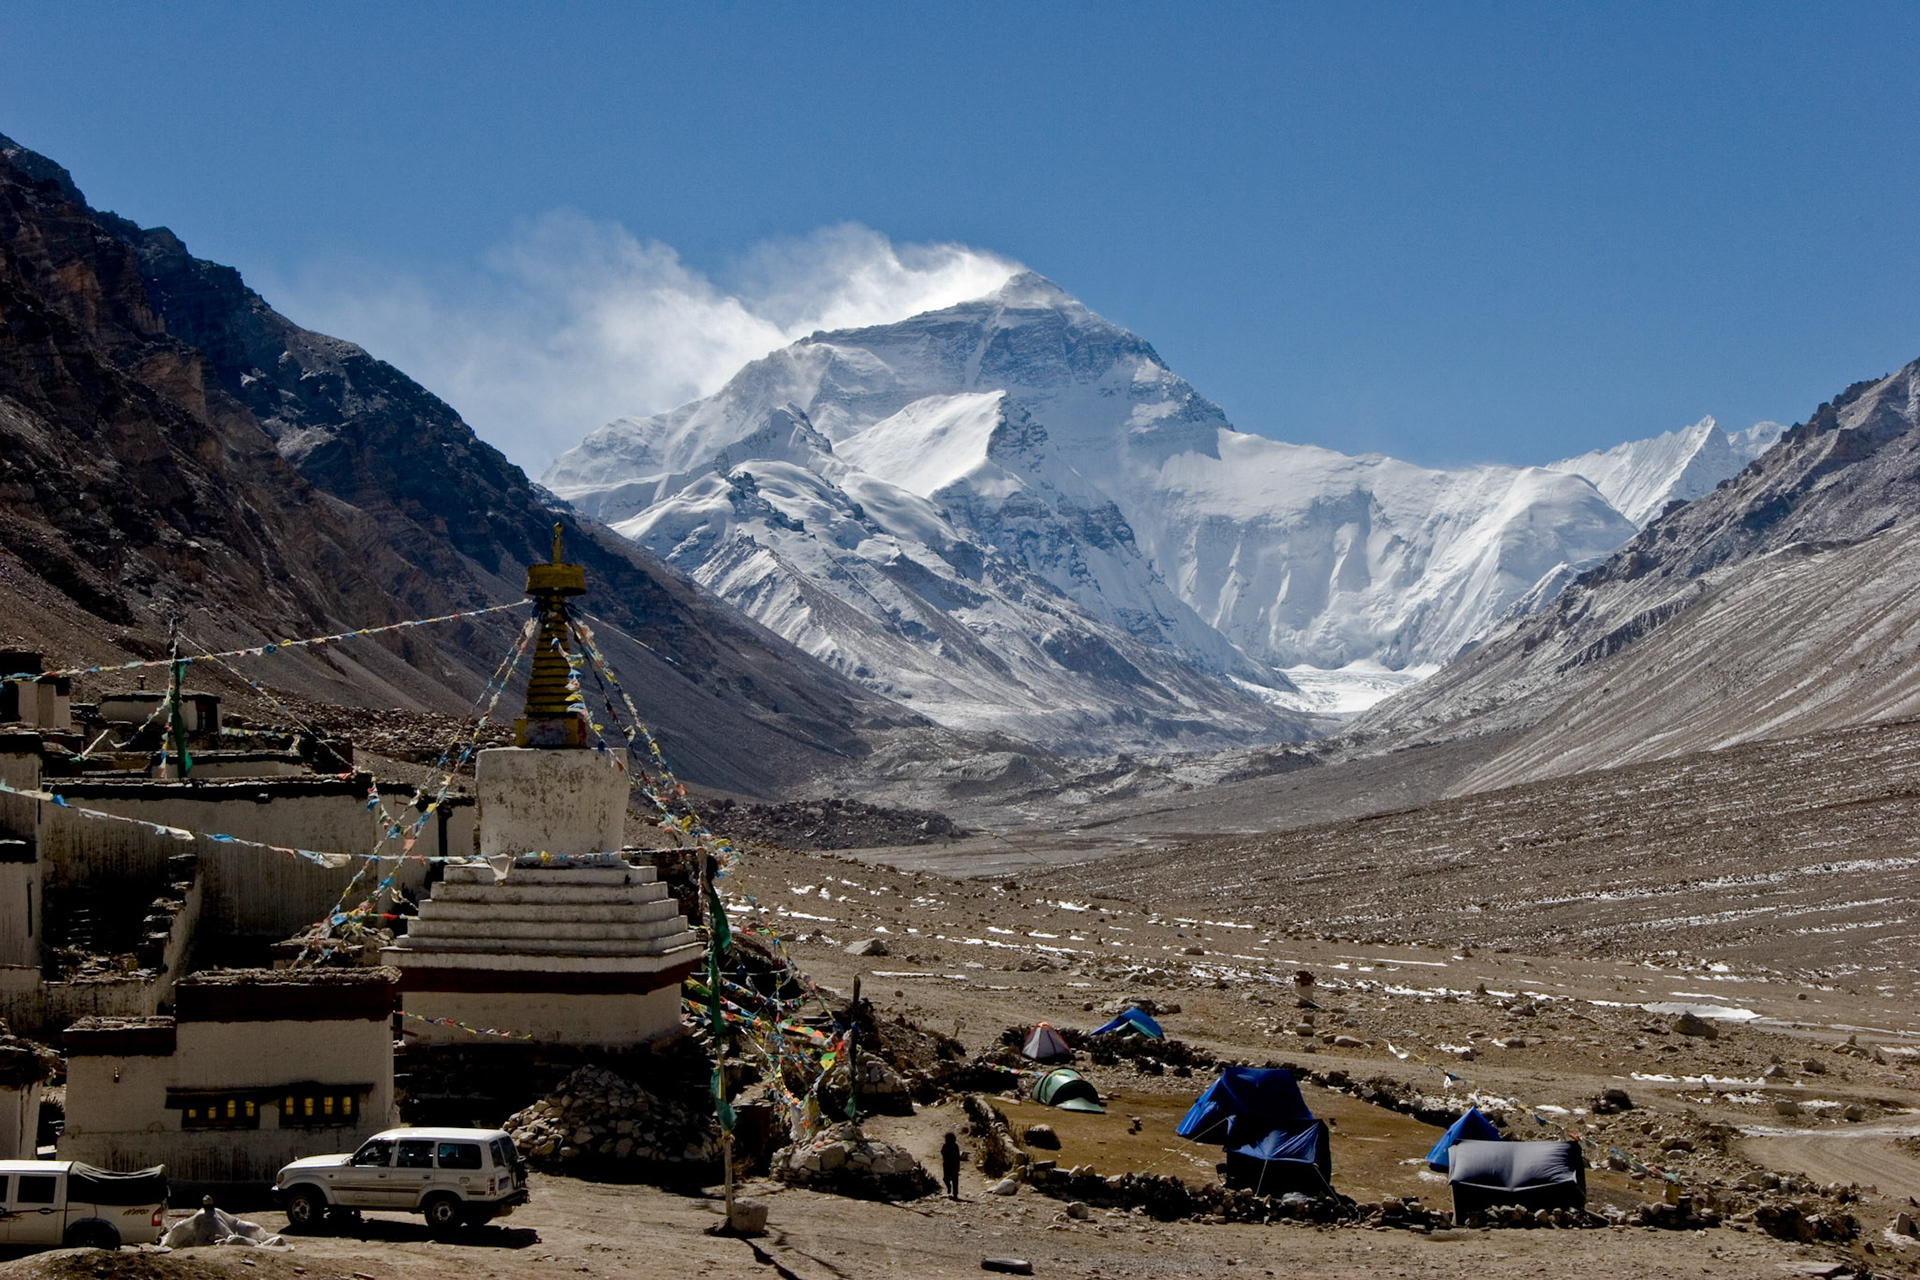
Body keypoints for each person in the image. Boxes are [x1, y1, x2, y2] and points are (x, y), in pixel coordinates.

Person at [940, 1132, 962, 1199]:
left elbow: (957, 1157)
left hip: (954, 1165)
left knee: (955, 1181)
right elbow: (942, 1152)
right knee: (946, 1178)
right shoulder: (945, 1146)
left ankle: (955, 1194)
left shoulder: (955, 1146)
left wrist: (958, 1166)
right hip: (947, 1165)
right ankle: (949, 1187)